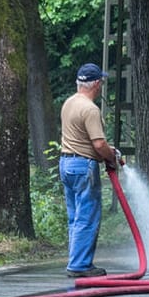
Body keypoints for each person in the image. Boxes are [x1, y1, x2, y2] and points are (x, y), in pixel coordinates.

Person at [58, 62, 124, 278]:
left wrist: (107, 151)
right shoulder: (90, 109)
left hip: (66, 164)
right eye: (101, 82)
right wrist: (111, 156)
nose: (102, 85)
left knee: (75, 216)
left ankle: (75, 259)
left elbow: (82, 138)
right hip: (83, 167)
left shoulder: (69, 103)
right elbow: (97, 144)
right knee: (87, 216)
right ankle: (79, 265)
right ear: (96, 84)